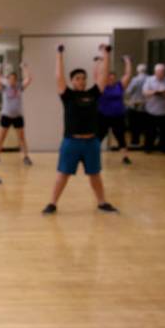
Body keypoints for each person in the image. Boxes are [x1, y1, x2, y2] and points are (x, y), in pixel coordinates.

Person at [43, 44, 119, 215]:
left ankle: (102, 202)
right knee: (63, 174)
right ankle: (52, 203)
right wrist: (59, 55)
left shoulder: (93, 93)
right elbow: (58, 76)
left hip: (91, 142)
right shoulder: (67, 95)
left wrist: (106, 55)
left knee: (95, 175)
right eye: (77, 78)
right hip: (71, 142)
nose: (81, 81)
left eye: (83, 78)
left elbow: (104, 75)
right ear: (72, 81)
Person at [0, 62, 32, 166]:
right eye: (10, 79)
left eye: (14, 79)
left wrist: (24, 67)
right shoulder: (4, 88)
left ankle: (26, 157)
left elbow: (29, 79)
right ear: (8, 79)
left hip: (18, 116)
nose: (12, 80)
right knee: (1, 138)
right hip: (6, 116)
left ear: (16, 80)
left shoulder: (19, 87)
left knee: (22, 138)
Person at [96, 52, 133, 165]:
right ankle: (91, 156)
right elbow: (97, 74)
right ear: (105, 78)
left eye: (113, 78)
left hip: (118, 116)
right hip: (103, 116)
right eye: (108, 77)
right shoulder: (101, 86)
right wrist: (100, 61)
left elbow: (128, 74)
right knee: (98, 138)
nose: (111, 79)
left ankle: (125, 157)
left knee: (121, 137)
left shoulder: (119, 86)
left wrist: (127, 61)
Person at [142, 63, 165, 153]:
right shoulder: (149, 80)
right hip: (151, 111)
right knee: (150, 132)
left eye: (162, 72)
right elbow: (145, 92)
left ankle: (164, 148)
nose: (161, 74)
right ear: (155, 72)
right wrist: (155, 92)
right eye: (159, 72)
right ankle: (148, 148)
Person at [125, 62, 148, 148]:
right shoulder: (149, 79)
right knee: (145, 126)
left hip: (135, 105)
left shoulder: (136, 80)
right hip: (146, 106)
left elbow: (128, 91)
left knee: (134, 126)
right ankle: (146, 144)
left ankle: (135, 142)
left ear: (137, 71)